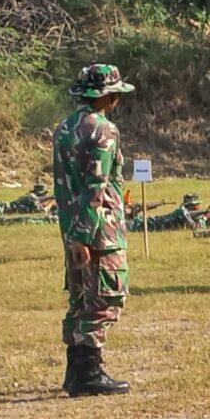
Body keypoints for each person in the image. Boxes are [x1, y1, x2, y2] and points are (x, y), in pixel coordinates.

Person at [53, 63, 134, 397]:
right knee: (103, 297)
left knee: (80, 298)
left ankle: (75, 372)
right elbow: (95, 185)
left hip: (71, 226)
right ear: (109, 97)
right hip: (99, 229)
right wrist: (87, 236)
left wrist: (74, 234)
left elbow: (64, 184)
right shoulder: (103, 131)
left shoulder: (65, 128)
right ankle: (89, 372)